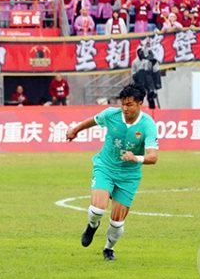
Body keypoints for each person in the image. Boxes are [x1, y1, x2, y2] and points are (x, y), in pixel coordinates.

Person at [66, 84, 159, 261]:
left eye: (130, 104)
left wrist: (136, 158)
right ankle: (92, 226)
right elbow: (93, 120)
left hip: (129, 176)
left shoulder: (148, 125)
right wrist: (75, 130)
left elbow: (153, 157)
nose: (125, 108)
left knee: (117, 222)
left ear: (140, 103)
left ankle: (108, 249)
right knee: (97, 209)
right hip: (106, 167)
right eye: (123, 103)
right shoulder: (112, 114)